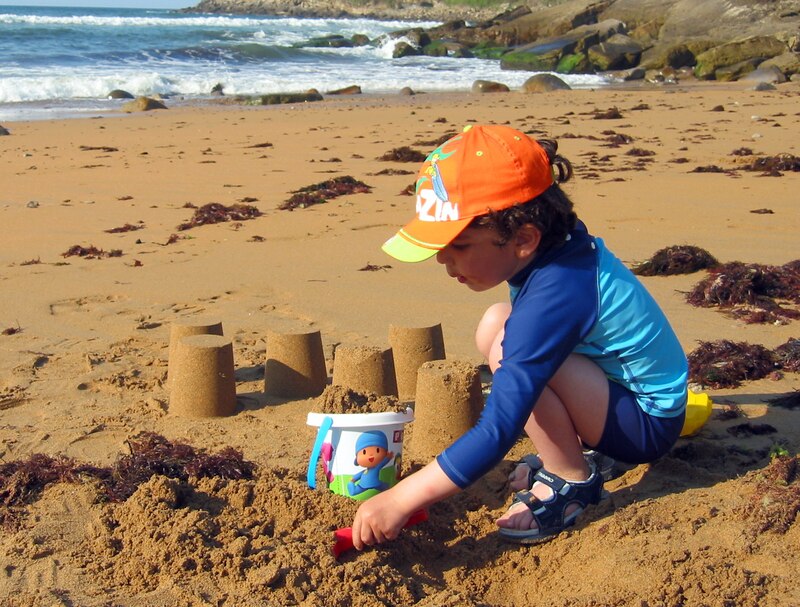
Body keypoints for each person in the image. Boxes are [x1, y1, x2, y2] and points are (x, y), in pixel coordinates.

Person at [351, 124, 688, 547]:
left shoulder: (558, 292)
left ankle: (570, 479)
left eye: (460, 246)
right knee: (498, 323)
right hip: (617, 392)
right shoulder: (556, 244)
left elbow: (498, 429)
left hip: (645, 423)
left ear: (525, 237)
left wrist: (401, 498)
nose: (443, 261)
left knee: (512, 347)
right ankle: (576, 450)